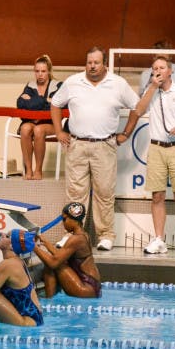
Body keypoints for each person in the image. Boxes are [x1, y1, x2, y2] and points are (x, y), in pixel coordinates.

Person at [51, 46, 139, 251]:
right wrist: (59, 131)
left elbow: (137, 107)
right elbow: (55, 104)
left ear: (104, 64)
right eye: (89, 62)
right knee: (75, 193)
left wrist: (125, 133)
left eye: (96, 62)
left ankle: (105, 235)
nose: (92, 66)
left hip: (105, 145)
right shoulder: (73, 82)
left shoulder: (118, 84)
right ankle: (72, 234)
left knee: (104, 192)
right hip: (77, 144)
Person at [125, 56, 175, 256]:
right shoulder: (150, 92)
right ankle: (159, 239)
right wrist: (151, 87)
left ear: (170, 71)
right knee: (157, 195)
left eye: (161, 68)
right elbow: (139, 110)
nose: (158, 71)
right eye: (154, 69)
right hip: (156, 148)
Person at [32, 202, 102, 298]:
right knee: (57, 261)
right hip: (94, 287)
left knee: (51, 266)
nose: (63, 223)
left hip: (86, 288)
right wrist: (45, 241)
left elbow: (53, 262)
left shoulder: (76, 239)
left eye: (64, 219)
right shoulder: (84, 235)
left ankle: (49, 302)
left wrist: (32, 246)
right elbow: (60, 255)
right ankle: (51, 297)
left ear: (73, 219)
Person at [16, 55, 63, 180]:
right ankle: (29, 170)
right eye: (37, 71)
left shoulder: (58, 85)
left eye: (43, 71)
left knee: (39, 130)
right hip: (32, 121)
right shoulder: (30, 85)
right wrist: (46, 100)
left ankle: (38, 170)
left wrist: (33, 102)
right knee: (25, 129)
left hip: (52, 123)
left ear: (49, 71)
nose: (40, 74)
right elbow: (20, 104)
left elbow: (58, 107)